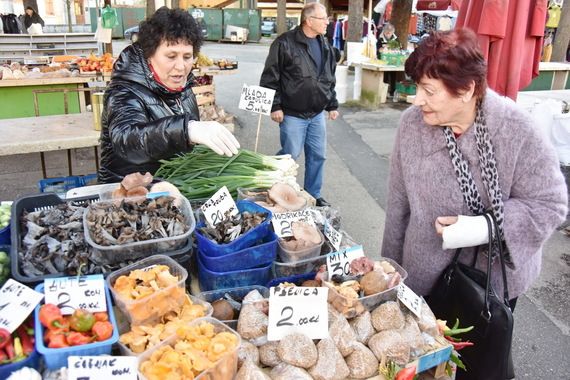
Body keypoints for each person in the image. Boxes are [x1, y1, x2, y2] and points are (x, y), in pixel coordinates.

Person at [381, 28, 567, 377]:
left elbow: (550, 203)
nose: (416, 99)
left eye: (429, 90)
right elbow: (398, 205)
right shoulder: (411, 127)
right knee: (424, 363)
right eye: (417, 87)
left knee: (477, 366)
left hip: (489, 285)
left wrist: (480, 228)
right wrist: (391, 272)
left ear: (466, 90)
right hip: (424, 279)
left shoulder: (516, 129)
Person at [98, 7, 239, 183]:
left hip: (173, 187)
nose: (181, 66)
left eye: (187, 57)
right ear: (149, 55)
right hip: (129, 195)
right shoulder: (124, 91)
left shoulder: (183, 87)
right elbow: (127, 139)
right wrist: (186, 130)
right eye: (171, 56)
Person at [260, 3, 339, 207]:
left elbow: (329, 78)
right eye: (323, 19)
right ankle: (276, 188)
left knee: (318, 156)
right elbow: (270, 76)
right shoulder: (284, 43)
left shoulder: (326, 45)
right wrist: (274, 106)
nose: (327, 22)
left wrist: (332, 104)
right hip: (292, 113)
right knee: (290, 156)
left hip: (316, 114)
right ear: (309, 21)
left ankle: (313, 194)